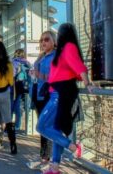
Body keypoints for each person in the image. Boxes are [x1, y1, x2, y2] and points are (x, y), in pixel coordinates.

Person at [36, 23, 94, 174]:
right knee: (56, 130)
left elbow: (78, 66)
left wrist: (87, 82)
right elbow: (72, 71)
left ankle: (73, 147)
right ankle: (54, 168)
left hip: (59, 94)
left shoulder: (68, 47)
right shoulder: (63, 51)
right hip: (56, 92)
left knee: (41, 126)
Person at [27, 30, 56, 169]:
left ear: (54, 41)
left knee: (46, 127)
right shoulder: (41, 57)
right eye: (41, 40)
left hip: (49, 96)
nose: (43, 42)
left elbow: (55, 78)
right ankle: (44, 158)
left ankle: (47, 160)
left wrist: (38, 74)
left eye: (46, 39)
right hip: (38, 94)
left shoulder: (55, 57)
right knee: (42, 127)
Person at [11, 49, 31, 130]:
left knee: (11, 106)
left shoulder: (12, 62)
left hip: (13, 85)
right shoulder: (27, 63)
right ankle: (17, 125)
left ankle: (9, 125)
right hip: (22, 85)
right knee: (18, 105)